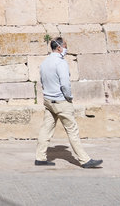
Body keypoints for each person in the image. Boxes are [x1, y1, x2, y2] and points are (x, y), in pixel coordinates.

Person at [35, 37, 103, 168]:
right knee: (72, 130)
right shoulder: (61, 63)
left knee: (46, 129)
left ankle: (40, 157)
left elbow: (43, 81)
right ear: (59, 47)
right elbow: (65, 84)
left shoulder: (44, 62)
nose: (66, 49)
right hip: (61, 101)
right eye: (65, 46)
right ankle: (84, 160)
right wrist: (69, 97)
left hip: (48, 101)